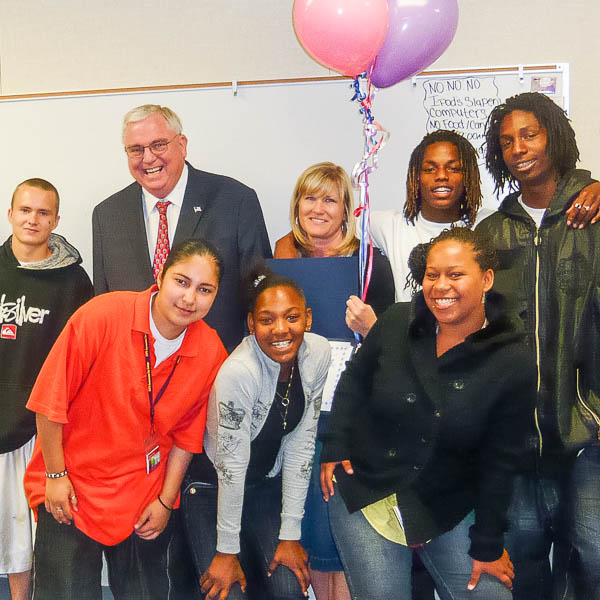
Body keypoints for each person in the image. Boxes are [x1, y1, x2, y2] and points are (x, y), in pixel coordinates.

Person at [320, 227, 537, 600]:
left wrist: (487, 543)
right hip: (368, 490)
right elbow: (354, 382)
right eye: (431, 274)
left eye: (455, 274)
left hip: (445, 503)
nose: (440, 286)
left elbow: (500, 459)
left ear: (486, 279)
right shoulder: (397, 321)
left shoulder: (513, 357)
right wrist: (336, 444)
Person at [23, 239, 228, 600]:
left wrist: (165, 502)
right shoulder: (102, 315)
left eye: (204, 289)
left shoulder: (210, 350)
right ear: (161, 275)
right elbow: (49, 403)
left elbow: (187, 438)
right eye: (182, 281)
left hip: (144, 496)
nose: (189, 298)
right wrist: (55, 476)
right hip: (71, 485)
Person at [476, 92, 600, 599]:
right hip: (516, 436)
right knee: (524, 557)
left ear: (555, 136)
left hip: (586, 429)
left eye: (529, 134)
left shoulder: (592, 218)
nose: (518, 149)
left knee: (593, 552)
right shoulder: (491, 231)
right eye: (506, 142)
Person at [274, 162, 394, 600]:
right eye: (310, 197)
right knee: (310, 538)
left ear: (346, 209)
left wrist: (372, 326)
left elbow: (393, 348)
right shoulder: (280, 261)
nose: (318, 208)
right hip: (296, 419)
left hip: (348, 421)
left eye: (329, 199)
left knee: (342, 541)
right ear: (296, 205)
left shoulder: (368, 264)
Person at [352, 130, 600, 334]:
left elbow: (542, 213)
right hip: (411, 353)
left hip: (472, 355)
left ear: (468, 176)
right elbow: (330, 234)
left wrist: (592, 188)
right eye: (430, 169)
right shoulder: (382, 225)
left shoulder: (491, 225)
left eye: (453, 168)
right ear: (416, 177)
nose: (441, 176)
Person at [179, 268, 331, 599]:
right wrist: (226, 551)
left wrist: (290, 535)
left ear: (307, 318)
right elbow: (231, 470)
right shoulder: (238, 372)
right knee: (227, 592)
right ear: (251, 325)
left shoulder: (318, 354)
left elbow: (301, 446)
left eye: (291, 317)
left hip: (263, 486)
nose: (281, 329)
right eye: (267, 319)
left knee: (289, 588)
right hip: (210, 489)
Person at [92, 103, 272, 352]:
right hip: (132, 372)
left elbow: (261, 293)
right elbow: (103, 305)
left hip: (217, 368)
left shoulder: (236, 200)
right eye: (136, 149)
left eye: (158, 144)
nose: (148, 158)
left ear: (182, 144)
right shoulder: (107, 215)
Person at [0, 178, 92, 600]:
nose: (32, 219)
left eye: (42, 212)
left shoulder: (74, 282)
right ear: (10, 214)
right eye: (25, 210)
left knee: (25, 536)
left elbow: (82, 358)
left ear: (56, 220)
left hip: (39, 430)